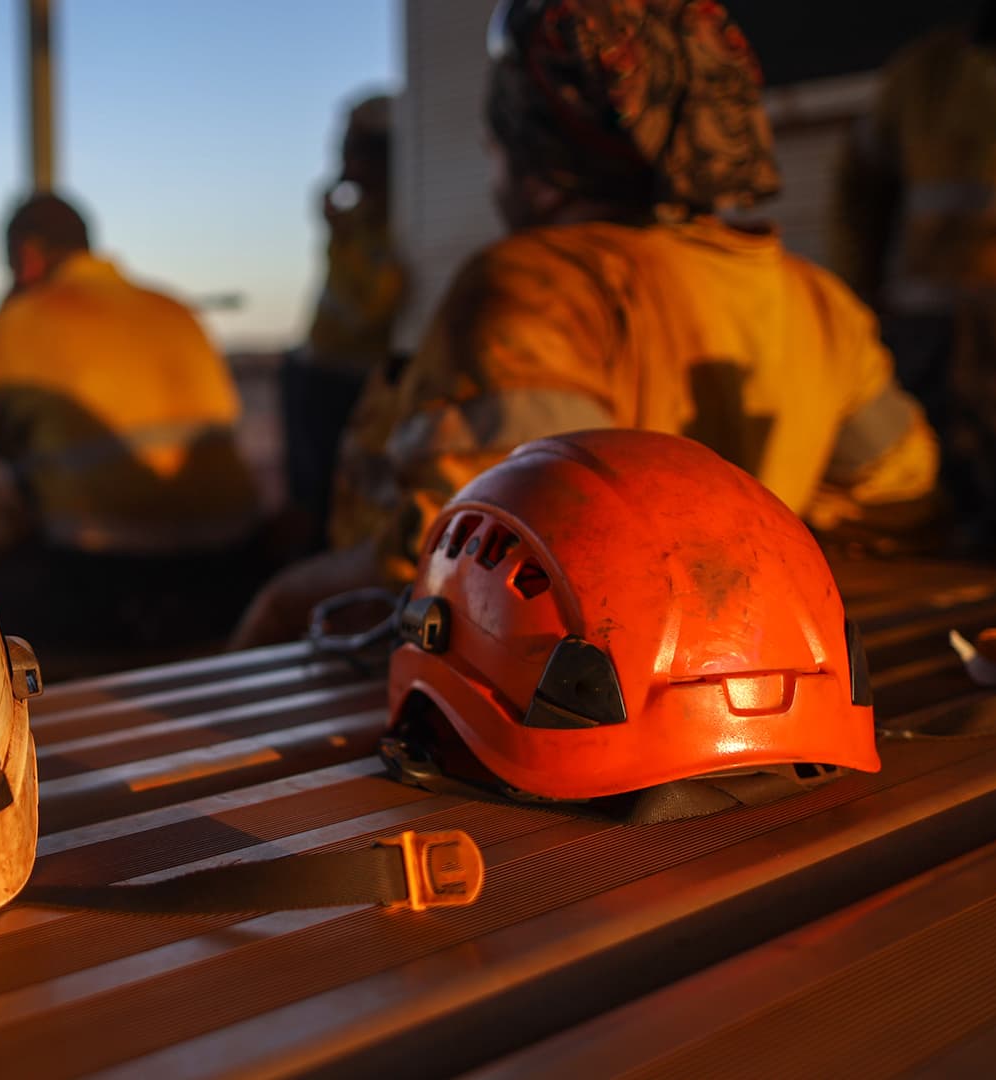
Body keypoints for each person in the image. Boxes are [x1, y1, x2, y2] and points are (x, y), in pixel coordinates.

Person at [232, 0, 940, 648]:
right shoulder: (814, 298)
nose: (491, 165)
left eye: (497, 142)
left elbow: (459, 553)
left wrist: (284, 599)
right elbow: (899, 493)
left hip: (571, 705)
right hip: (730, 673)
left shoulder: (535, 287)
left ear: (539, 148)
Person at [0, 192, 262, 662]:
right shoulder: (173, 307)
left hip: (107, 578)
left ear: (28, 255)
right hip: (235, 565)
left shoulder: (25, 317)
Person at [832, 0, 996, 537]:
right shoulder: (927, 71)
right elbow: (857, 187)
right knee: (930, 516)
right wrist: (857, 301)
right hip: (929, 344)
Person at [282, 95, 409, 551]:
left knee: (331, 499)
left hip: (349, 386)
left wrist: (339, 236)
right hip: (318, 375)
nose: (342, 157)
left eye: (354, 147)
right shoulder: (360, 220)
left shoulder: (395, 222)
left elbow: (366, 311)